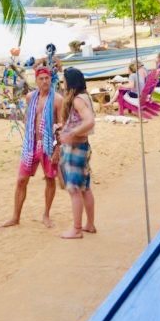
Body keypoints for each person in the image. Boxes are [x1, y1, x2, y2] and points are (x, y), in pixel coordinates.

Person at [0, 66, 64, 229]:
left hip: (49, 145)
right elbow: (28, 117)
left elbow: (60, 125)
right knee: (21, 180)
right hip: (31, 144)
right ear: (36, 81)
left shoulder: (57, 99)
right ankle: (15, 217)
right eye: (41, 79)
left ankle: (46, 215)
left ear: (51, 79)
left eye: (47, 78)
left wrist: (57, 149)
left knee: (50, 180)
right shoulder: (30, 97)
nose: (44, 81)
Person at [56, 67, 96, 239]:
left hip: (76, 149)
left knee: (74, 189)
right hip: (83, 146)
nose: (62, 83)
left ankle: (77, 229)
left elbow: (90, 121)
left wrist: (71, 133)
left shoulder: (78, 100)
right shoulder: (85, 96)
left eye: (64, 80)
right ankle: (90, 224)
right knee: (85, 188)